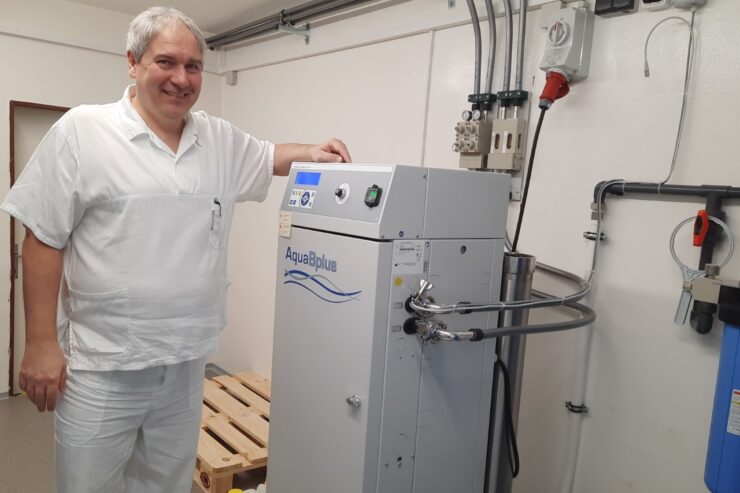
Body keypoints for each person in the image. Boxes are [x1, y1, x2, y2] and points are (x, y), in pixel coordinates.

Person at [1, 6, 350, 493]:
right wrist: (40, 343)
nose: (181, 79)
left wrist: (312, 152)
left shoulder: (218, 139)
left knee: (164, 485)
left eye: (193, 66)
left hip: (185, 366)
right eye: (166, 62)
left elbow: (270, 155)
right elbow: (42, 236)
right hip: (103, 368)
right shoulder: (84, 132)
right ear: (133, 62)